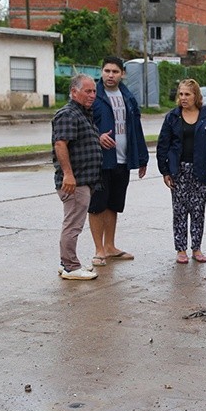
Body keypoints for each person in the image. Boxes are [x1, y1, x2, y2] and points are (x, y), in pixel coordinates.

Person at [88, 56, 149, 267]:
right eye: (107, 71)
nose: (110, 75)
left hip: (122, 160)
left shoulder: (128, 97)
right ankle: (98, 250)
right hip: (100, 161)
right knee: (97, 205)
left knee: (114, 204)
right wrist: (97, 136)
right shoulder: (93, 96)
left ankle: (110, 246)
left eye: (115, 71)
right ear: (101, 72)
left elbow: (136, 129)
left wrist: (142, 157)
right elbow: (80, 122)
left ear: (122, 73)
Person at [156, 79, 206, 264]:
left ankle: (197, 248)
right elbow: (163, 145)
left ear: (196, 96)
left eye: (188, 94)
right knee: (179, 211)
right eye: (181, 94)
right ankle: (180, 249)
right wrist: (165, 171)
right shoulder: (172, 117)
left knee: (197, 211)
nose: (184, 98)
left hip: (201, 171)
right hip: (179, 170)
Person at [52, 74, 102, 280]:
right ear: (74, 92)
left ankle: (67, 263)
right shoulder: (68, 114)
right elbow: (60, 144)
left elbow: (79, 141)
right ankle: (71, 267)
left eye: (94, 91)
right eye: (87, 91)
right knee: (73, 225)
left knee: (74, 223)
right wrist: (68, 175)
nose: (92, 95)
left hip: (84, 181)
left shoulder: (83, 113)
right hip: (75, 182)